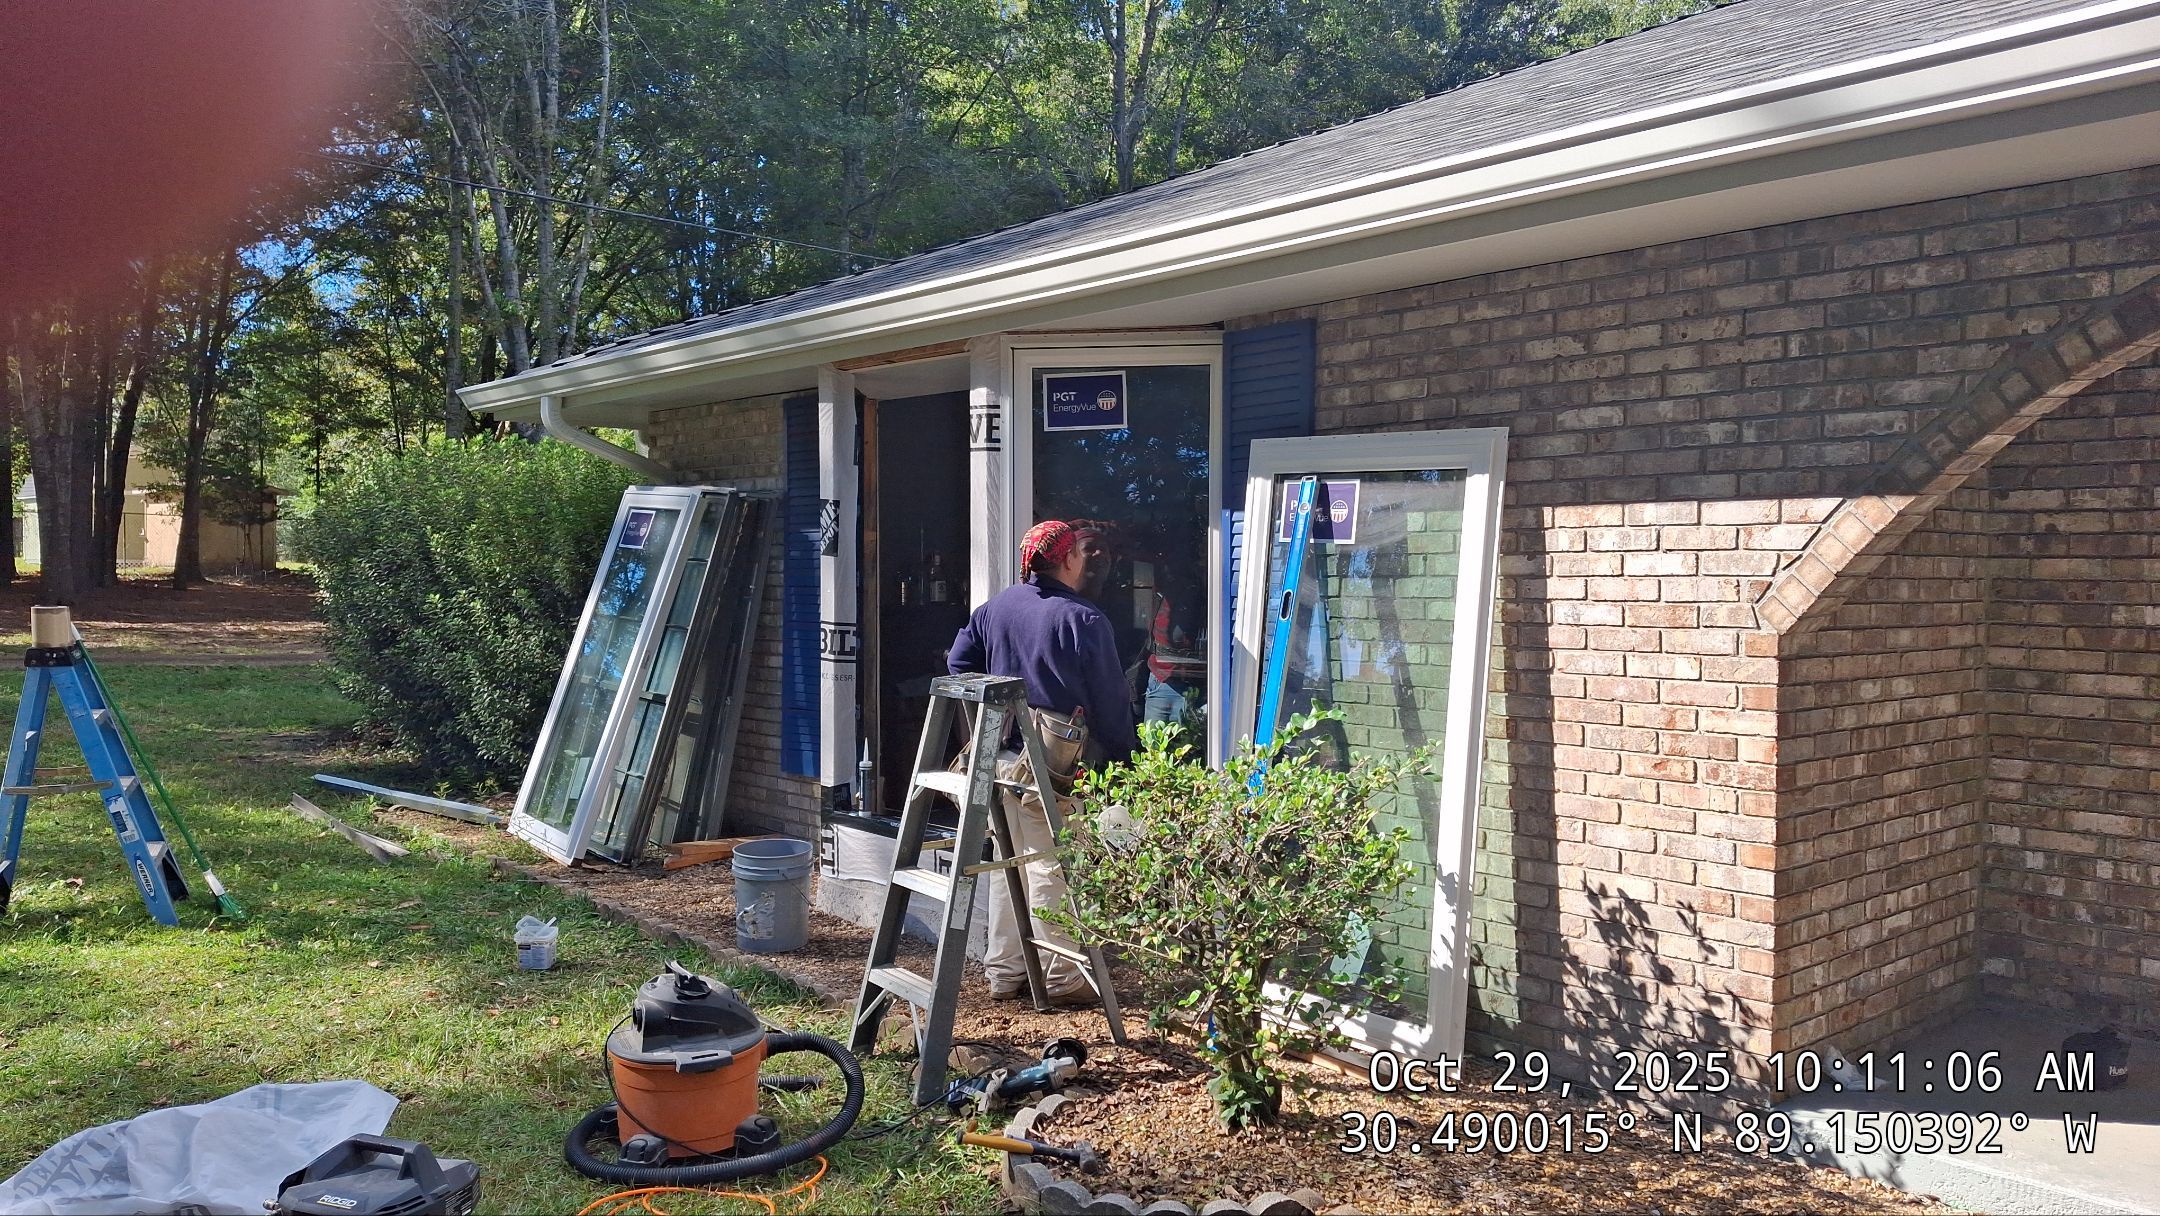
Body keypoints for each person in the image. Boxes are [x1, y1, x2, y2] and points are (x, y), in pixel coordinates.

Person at [946, 519, 1136, 1002]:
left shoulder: (998, 607)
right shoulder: (1083, 619)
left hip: (997, 755)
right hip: (1052, 762)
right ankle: (1062, 978)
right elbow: (1111, 704)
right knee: (1051, 863)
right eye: (1080, 554)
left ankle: (1005, 974)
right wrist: (1129, 760)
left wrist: (1003, 704)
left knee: (1008, 859)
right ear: (1068, 559)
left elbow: (959, 665)